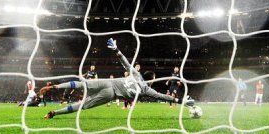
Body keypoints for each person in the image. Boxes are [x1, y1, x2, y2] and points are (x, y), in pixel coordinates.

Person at [39, 38, 194, 119]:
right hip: (110, 94)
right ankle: (55, 113)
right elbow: (163, 96)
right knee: (83, 105)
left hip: (108, 81)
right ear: (151, 80)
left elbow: (126, 63)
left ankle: (55, 87)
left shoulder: (135, 74)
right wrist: (181, 101)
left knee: (82, 84)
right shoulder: (146, 89)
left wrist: (117, 50)